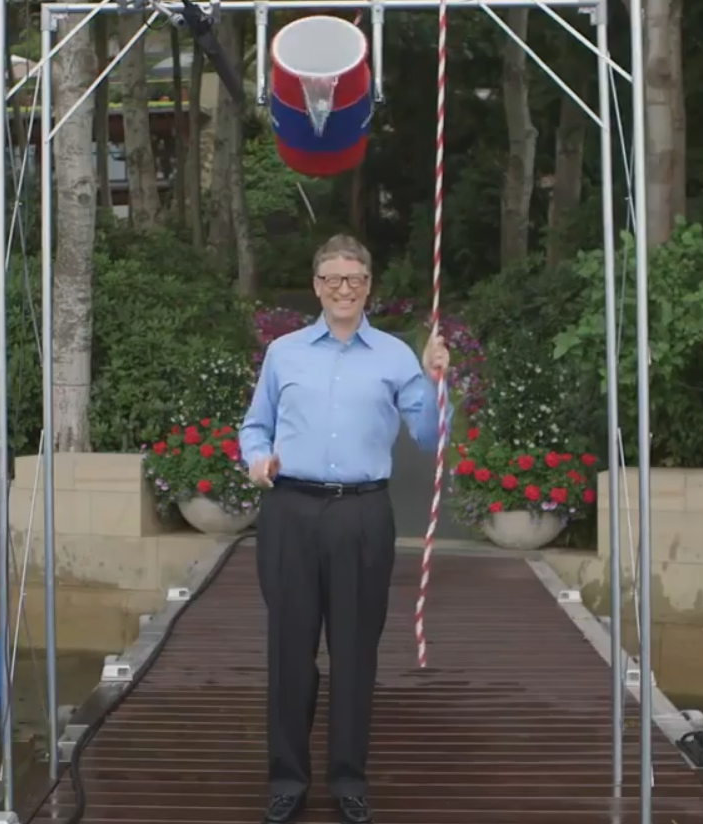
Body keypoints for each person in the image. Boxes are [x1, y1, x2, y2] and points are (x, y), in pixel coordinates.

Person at [239, 235, 452, 824]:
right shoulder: (284, 354)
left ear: (368, 287)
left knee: (355, 654)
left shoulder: (393, 357)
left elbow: (430, 438)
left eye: (354, 279)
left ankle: (349, 780)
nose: (343, 289)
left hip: (362, 515)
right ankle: (286, 780)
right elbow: (255, 426)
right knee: (290, 652)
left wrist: (437, 381)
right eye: (332, 279)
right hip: (290, 512)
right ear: (316, 286)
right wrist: (256, 457)